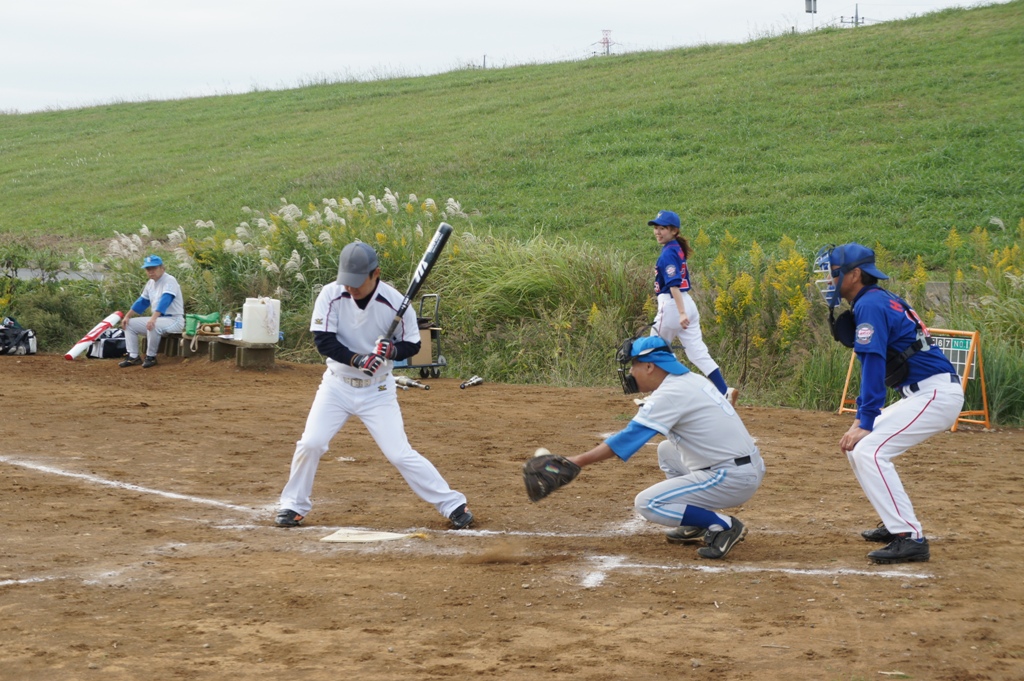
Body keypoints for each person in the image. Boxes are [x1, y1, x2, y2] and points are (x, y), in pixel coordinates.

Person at [274, 241, 473, 530]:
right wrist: (357, 359)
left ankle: (453, 504)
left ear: (375, 273)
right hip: (337, 386)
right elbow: (323, 340)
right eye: (347, 281)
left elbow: (413, 344)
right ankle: (292, 505)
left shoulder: (394, 302)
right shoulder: (330, 294)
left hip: (377, 390)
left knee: (398, 453)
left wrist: (391, 351)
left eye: (357, 283)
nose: (351, 288)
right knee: (311, 443)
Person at [815, 243, 964, 564]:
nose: (830, 280)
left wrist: (864, 420)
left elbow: (872, 364)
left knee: (870, 449)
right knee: (860, 449)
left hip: (935, 395)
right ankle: (894, 519)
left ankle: (909, 537)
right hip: (928, 392)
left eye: (834, 273)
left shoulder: (870, 305)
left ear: (855, 275)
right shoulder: (877, 299)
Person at [562, 335, 765, 559]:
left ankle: (724, 526)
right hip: (744, 467)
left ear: (649, 366)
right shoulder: (691, 380)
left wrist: (576, 461)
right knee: (666, 451)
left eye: (633, 365)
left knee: (647, 503)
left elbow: (627, 439)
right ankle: (695, 521)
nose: (630, 373)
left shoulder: (670, 394)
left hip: (730, 477)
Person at [647, 210, 738, 407]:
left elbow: (673, 285)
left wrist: (680, 313)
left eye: (662, 228)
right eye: (656, 228)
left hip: (673, 304)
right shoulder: (676, 248)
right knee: (697, 352)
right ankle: (724, 391)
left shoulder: (668, 253)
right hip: (687, 302)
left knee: (653, 349)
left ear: (674, 231)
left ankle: (661, 397)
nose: (657, 232)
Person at [119, 255, 185, 368]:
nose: (151, 271)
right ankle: (133, 356)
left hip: (174, 319)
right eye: (148, 269)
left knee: (153, 325)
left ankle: (151, 357)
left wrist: (153, 318)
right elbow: (142, 302)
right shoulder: (150, 283)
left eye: (153, 268)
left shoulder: (169, 280)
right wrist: (127, 316)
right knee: (129, 324)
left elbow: (166, 300)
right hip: (160, 319)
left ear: (162, 268)